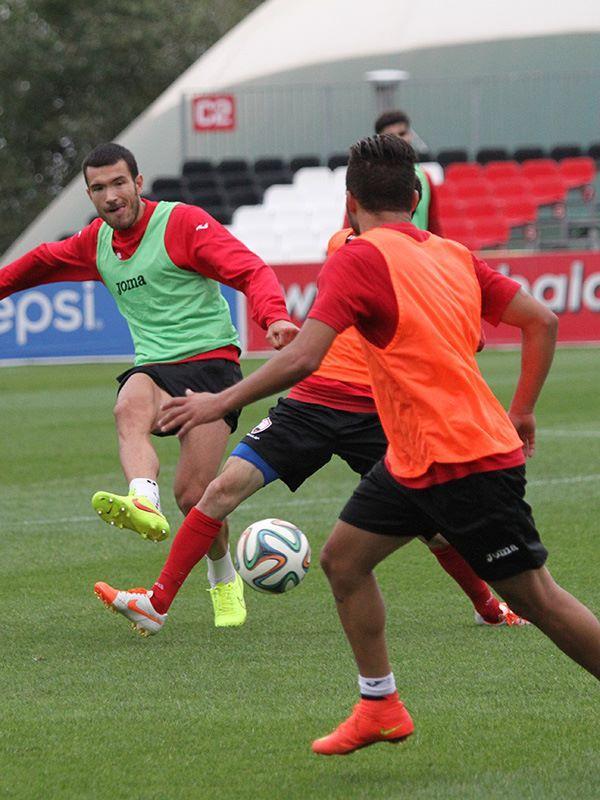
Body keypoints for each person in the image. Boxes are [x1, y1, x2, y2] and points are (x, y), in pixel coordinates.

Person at [151, 135, 599, 754]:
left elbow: (304, 356)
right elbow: (541, 321)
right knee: (343, 560)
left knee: (539, 600)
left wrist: (217, 402)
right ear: (414, 199)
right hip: (413, 457)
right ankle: (380, 705)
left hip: (462, 458)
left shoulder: (356, 256)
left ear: (350, 202)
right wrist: (521, 410)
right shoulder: (454, 254)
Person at [93, 227, 528, 635]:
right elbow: (472, 337)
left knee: (429, 523)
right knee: (219, 491)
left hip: (374, 413)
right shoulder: (353, 246)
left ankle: (488, 607)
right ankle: (157, 603)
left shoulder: (414, 255)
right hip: (310, 403)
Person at [0, 142, 297, 628]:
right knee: (128, 406)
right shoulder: (95, 242)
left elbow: (249, 269)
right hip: (155, 367)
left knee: (195, 496)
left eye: (119, 183)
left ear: (138, 183)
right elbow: (39, 263)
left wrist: (275, 317)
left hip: (211, 366)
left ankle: (223, 577)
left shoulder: (182, 224)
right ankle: (142, 498)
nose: (111, 195)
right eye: (99, 188)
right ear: (90, 195)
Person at [374, 109, 442, 235]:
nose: (399, 139)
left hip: (418, 247)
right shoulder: (369, 178)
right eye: (391, 136)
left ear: (410, 135)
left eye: (402, 133)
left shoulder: (425, 177)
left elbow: (434, 227)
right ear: (379, 139)